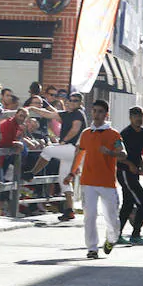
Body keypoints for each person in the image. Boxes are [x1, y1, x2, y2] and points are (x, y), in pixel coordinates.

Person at [65, 100, 125, 259]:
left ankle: (111, 239)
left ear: (106, 114)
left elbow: (123, 154)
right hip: (88, 182)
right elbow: (80, 153)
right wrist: (71, 173)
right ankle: (92, 248)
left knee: (111, 218)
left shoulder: (113, 134)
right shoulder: (85, 133)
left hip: (107, 183)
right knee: (89, 216)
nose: (96, 114)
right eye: (94, 111)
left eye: (100, 112)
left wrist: (110, 153)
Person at [24, 91, 87, 221]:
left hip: (73, 148)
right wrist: (32, 108)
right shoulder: (66, 114)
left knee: (48, 150)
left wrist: (64, 140)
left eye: (76, 100)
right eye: (71, 100)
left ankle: (32, 173)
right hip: (70, 152)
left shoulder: (78, 114)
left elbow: (76, 128)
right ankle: (69, 210)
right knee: (63, 180)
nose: (72, 102)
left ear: (80, 103)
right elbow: (49, 114)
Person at [116, 107, 143, 246]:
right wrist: (129, 164)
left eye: (141, 116)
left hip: (135, 172)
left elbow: (139, 153)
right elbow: (118, 155)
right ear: (130, 118)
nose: (138, 119)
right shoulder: (125, 134)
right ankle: (135, 234)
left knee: (128, 204)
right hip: (124, 172)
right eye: (135, 116)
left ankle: (116, 234)